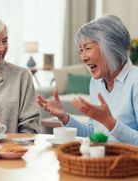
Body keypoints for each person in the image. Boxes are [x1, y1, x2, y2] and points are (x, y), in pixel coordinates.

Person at [38, 15, 138, 145]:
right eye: (81, 50)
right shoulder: (96, 83)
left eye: (88, 48)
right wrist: (64, 117)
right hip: (99, 162)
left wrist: (111, 123)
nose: (83, 58)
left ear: (110, 47)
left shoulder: (135, 81)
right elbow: (93, 133)